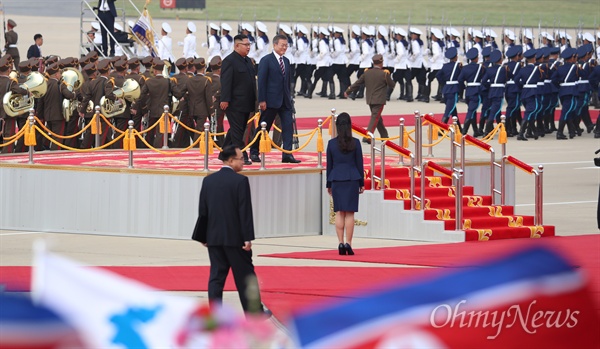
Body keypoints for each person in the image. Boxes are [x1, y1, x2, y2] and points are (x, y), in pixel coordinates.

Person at [192, 145, 264, 315]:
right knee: (245, 278)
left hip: (214, 237)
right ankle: (254, 313)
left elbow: (203, 210)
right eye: (241, 159)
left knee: (216, 278)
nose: (243, 162)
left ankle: (215, 315)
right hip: (236, 239)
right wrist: (247, 237)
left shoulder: (208, 180)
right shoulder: (240, 181)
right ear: (231, 161)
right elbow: (244, 211)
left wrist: (203, 235)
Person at [249, 34, 301, 164]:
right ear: (275, 45)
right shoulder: (266, 60)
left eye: (286, 45)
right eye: (282, 45)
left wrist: (290, 98)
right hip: (270, 101)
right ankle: (254, 151)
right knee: (263, 127)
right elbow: (261, 82)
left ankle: (287, 154)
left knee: (288, 127)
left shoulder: (287, 61)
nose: (284, 48)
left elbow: (287, 83)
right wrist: (262, 100)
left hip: (285, 101)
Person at [326, 112, 364, 256]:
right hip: (352, 178)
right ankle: (349, 243)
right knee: (350, 214)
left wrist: (328, 184)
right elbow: (359, 164)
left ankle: (340, 243)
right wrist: (362, 182)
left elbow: (330, 165)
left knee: (339, 212)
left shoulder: (331, 144)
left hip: (336, 179)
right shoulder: (356, 142)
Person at [220, 34, 257, 165]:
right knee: (237, 131)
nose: (248, 47)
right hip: (234, 103)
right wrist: (224, 99)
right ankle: (242, 156)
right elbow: (226, 82)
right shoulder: (229, 61)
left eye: (249, 45)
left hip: (246, 103)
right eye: (245, 45)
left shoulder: (247, 61)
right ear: (237, 46)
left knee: (238, 129)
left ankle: (223, 153)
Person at [344, 54, 394, 144]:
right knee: (375, 118)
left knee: (377, 118)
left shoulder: (367, 72)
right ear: (381, 63)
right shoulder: (384, 73)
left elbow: (357, 83)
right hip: (379, 100)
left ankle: (384, 136)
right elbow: (392, 85)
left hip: (370, 99)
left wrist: (348, 91)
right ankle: (367, 136)